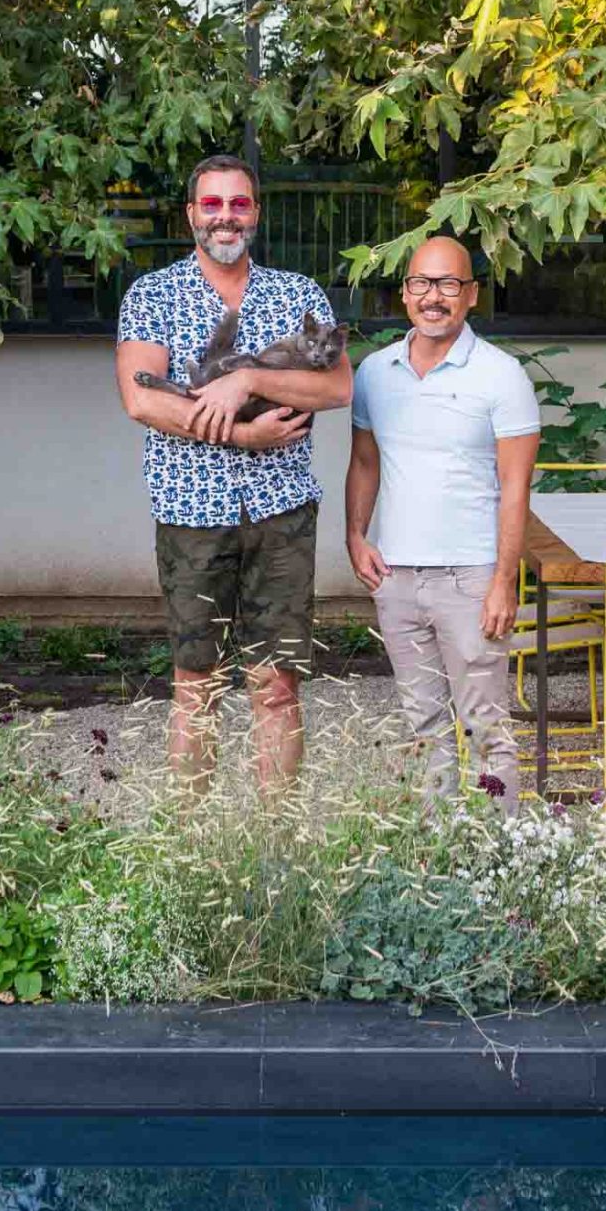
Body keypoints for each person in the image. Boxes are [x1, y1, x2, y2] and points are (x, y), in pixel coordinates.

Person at [115, 154, 352, 795]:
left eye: (239, 203)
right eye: (213, 204)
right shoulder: (152, 293)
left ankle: (274, 843)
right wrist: (243, 433)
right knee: (197, 683)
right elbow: (142, 400)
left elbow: (336, 387)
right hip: (193, 513)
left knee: (277, 684)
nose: (226, 216)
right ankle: (194, 850)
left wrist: (249, 378)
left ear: (255, 212)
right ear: (192, 214)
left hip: (282, 512)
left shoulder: (299, 295)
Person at [344, 236, 540, 806]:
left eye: (449, 284)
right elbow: (364, 461)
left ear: (471, 294)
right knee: (424, 727)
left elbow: (516, 488)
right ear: (405, 293)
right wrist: (355, 537)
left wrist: (505, 581)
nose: (435, 297)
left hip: (471, 578)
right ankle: (437, 859)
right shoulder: (375, 372)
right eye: (422, 284)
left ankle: (498, 856)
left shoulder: (502, 377)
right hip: (397, 576)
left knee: (486, 728)